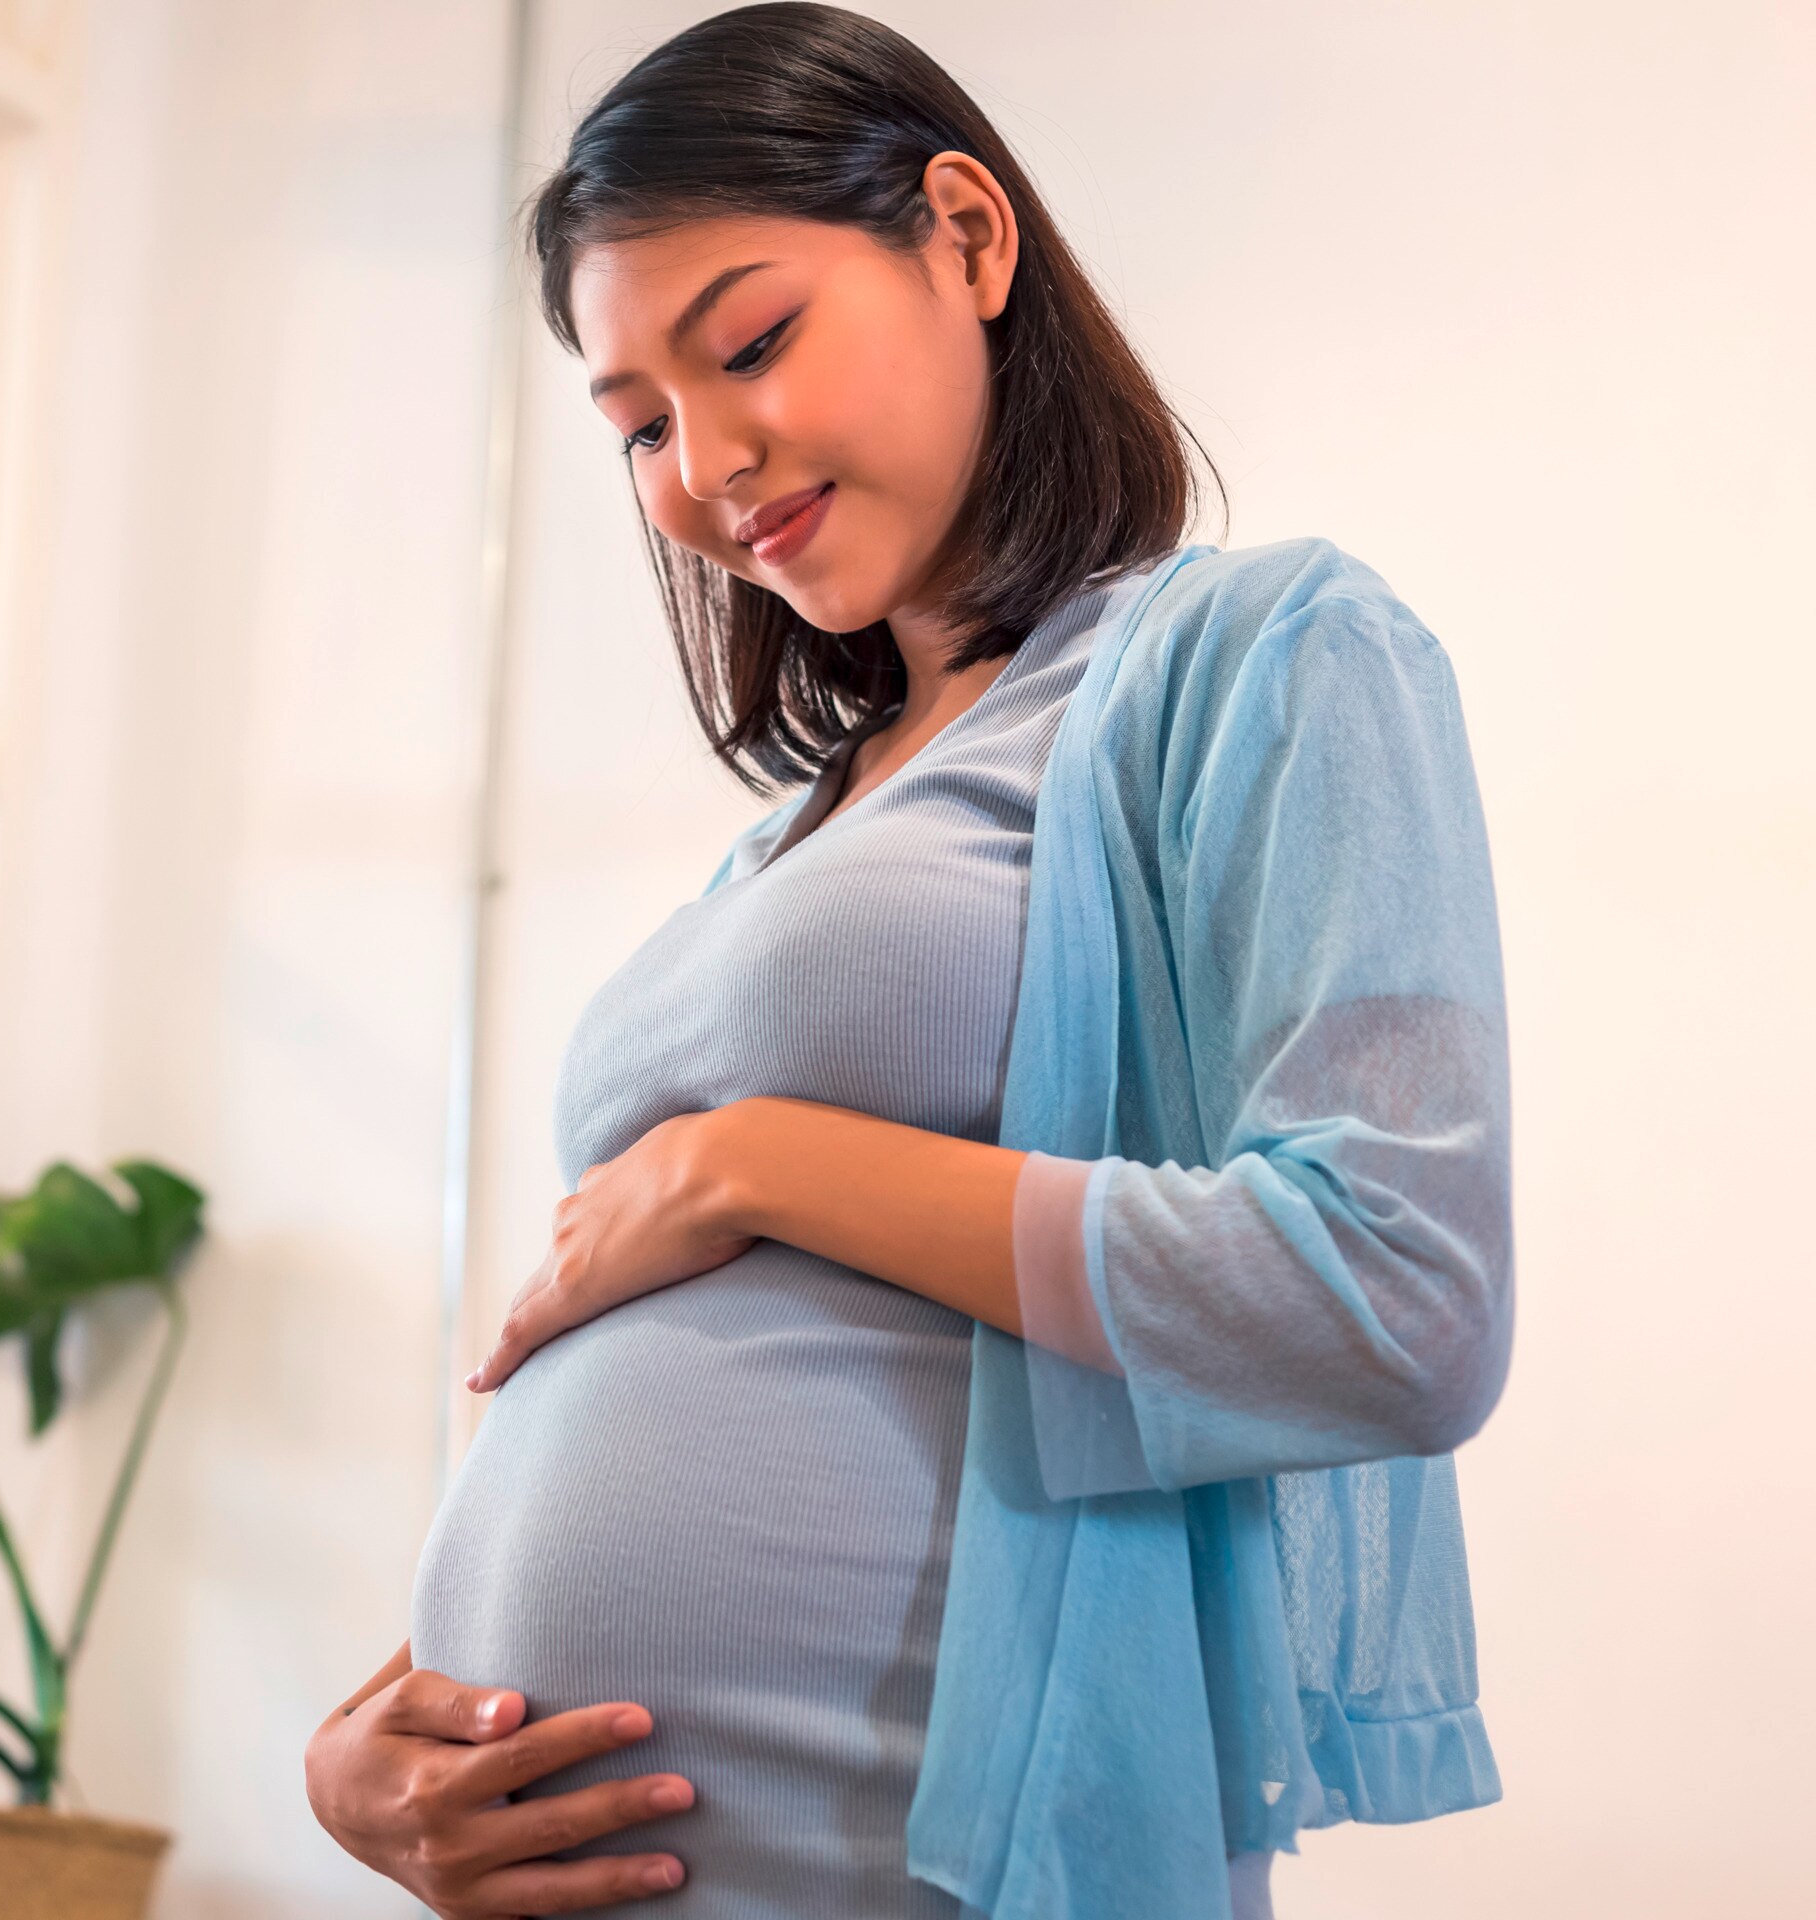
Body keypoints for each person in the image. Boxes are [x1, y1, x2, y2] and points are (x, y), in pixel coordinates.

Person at [303, 7, 1514, 1918]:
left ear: (966, 235)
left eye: (750, 344)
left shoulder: (1261, 659)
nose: (706, 464)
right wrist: (377, 1749)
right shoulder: (784, 839)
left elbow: (1396, 1297)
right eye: (639, 426)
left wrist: (756, 1161)